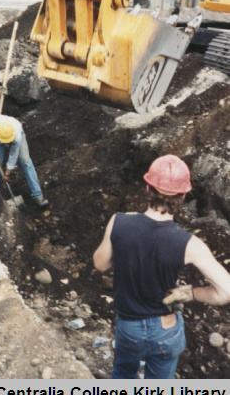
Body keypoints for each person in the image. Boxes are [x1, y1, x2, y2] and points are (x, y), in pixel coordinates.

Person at [93, 154, 230, 379]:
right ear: (183, 195)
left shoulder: (119, 221)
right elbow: (226, 291)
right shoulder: (189, 243)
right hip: (164, 329)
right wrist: (192, 293)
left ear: (148, 188)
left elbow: (100, 264)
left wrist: (118, 235)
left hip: (128, 327)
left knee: (123, 373)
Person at [0, 98, 49, 208]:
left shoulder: (17, 137)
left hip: (16, 132)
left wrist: (7, 173)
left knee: (26, 162)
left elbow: (13, 156)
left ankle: (37, 195)